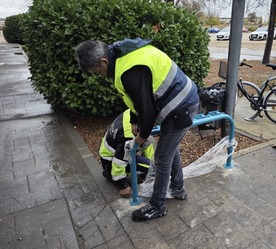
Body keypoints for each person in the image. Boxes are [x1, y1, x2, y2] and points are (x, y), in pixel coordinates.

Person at [75, 38, 199, 221]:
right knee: (169, 150)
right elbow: (138, 100)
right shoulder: (121, 54)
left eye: (97, 71)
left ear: (103, 61)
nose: (99, 75)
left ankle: (158, 206)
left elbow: (148, 110)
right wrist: (134, 120)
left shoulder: (128, 70)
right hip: (180, 101)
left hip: (181, 106)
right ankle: (178, 188)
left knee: (163, 156)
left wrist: (141, 136)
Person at [99, 109, 155, 198]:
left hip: (114, 152)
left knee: (149, 140)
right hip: (110, 161)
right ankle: (110, 174)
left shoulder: (132, 113)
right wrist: (122, 186)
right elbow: (119, 162)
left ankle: (145, 173)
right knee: (150, 167)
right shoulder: (127, 137)